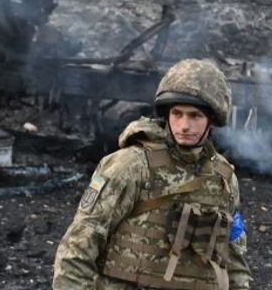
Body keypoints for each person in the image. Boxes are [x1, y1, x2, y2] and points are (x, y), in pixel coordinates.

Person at [53, 59, 252, 289]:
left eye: (194, 116)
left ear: (212, 121)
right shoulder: (131, 165)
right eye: (177, 113)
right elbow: (78, 245)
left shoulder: (223, 178)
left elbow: (234, 257)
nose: (184, 125)